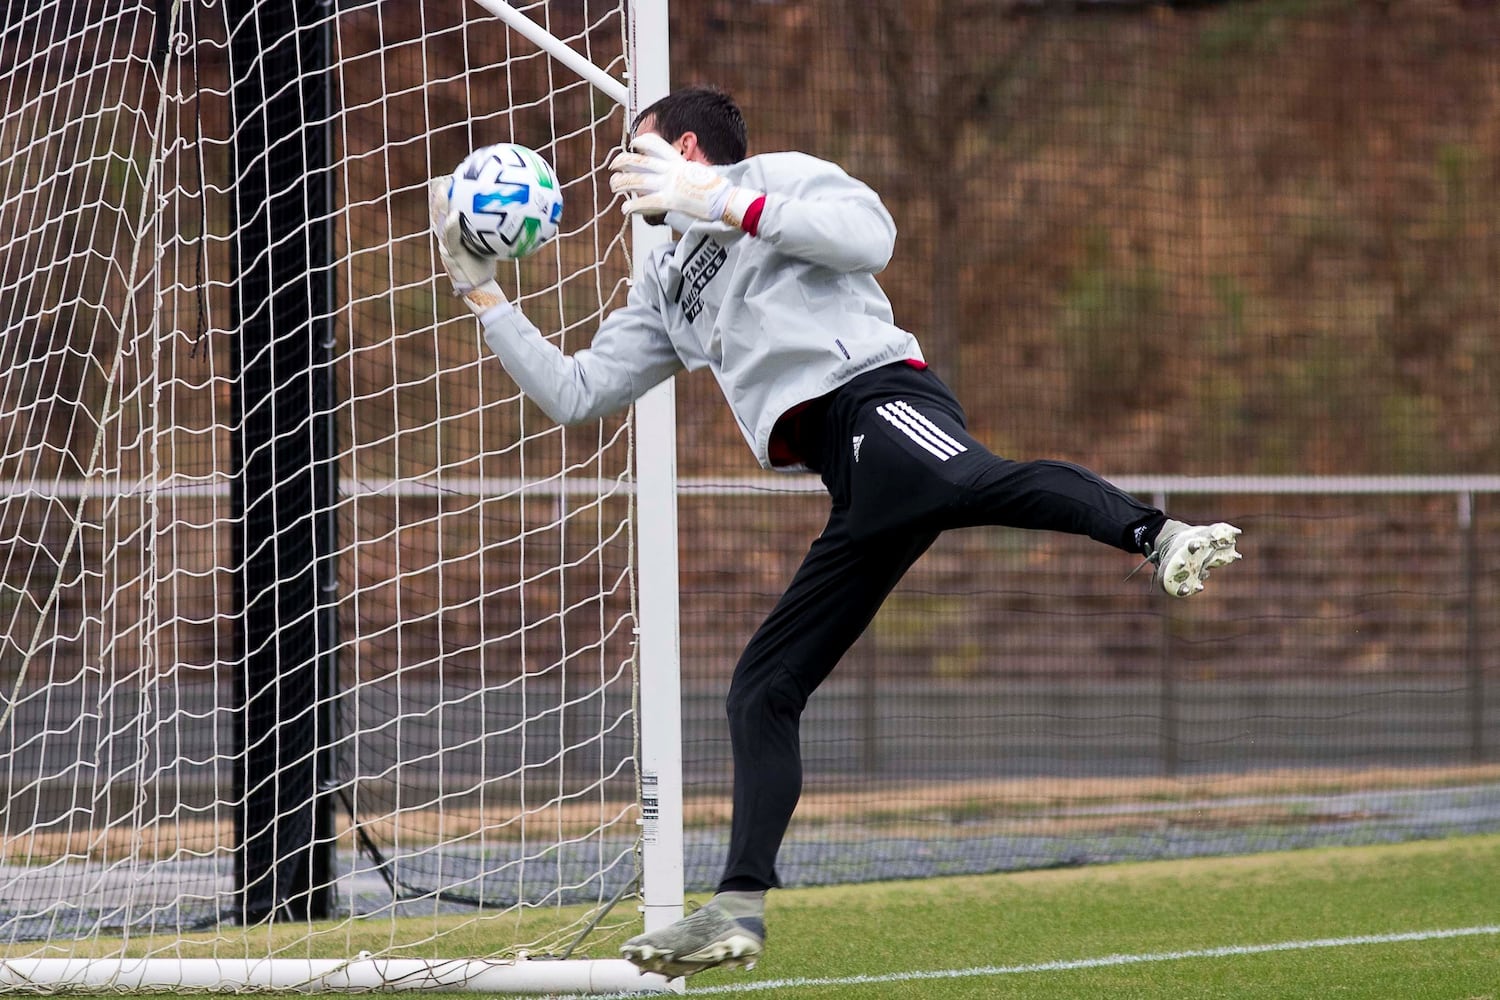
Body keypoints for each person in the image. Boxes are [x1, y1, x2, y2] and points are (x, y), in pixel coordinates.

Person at [428, 85, 1242, 978]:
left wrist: (726, 201)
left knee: (974, 477)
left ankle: (1158, 536)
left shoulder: (779, 177)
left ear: (689, 147)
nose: (624, 174)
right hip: (851, 480)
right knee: (760, 690)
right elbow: (574, 394)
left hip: (880, 400)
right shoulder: (660, 280)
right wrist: (483, 293)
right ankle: (737, 910)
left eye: (640, 151)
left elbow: (872, 240)